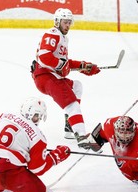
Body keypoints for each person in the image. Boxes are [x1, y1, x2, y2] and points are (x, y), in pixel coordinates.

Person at [0, 97, 75, 192]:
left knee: (2, 186)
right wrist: (55, 156)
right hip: (9, 171)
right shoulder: (38, 136)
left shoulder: (6, 116)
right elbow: (37, 168)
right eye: (37, 116)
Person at [30, 8, 100, 147]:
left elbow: (63, 62)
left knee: (77, 86)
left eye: (69, 22)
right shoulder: (53, 34)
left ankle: (69, 128)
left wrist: (83, 65)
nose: (67, 25)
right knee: (72, 104)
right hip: (46, 76)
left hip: (51, 76)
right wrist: (62, 65)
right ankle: (81, 136)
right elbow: (44, 57)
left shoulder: (63, 37)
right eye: (65, 22)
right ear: (57, 21)